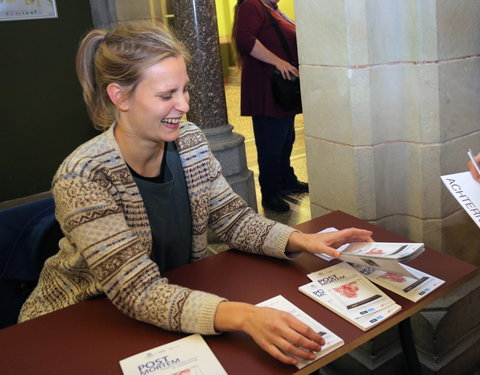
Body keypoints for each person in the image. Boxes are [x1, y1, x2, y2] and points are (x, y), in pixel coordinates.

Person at [18, 22, 373, 366]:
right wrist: (246, 317)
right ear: (119, 96)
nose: (184, 105)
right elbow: (136, 291)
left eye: (184, 89)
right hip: (84, 316)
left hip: (175, 294)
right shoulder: (82, 176)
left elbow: (234, 220)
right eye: (166, 95)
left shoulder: (189, 141)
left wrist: (304, 240)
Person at [233, 0, 306, 212]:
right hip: (268, 88)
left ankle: (286, 181)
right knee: (271, 143)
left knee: (286, 138)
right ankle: (271, 192)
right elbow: (245, 39)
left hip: (283, 87)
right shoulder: (252, 4)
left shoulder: (273, 9)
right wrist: (278, 61)